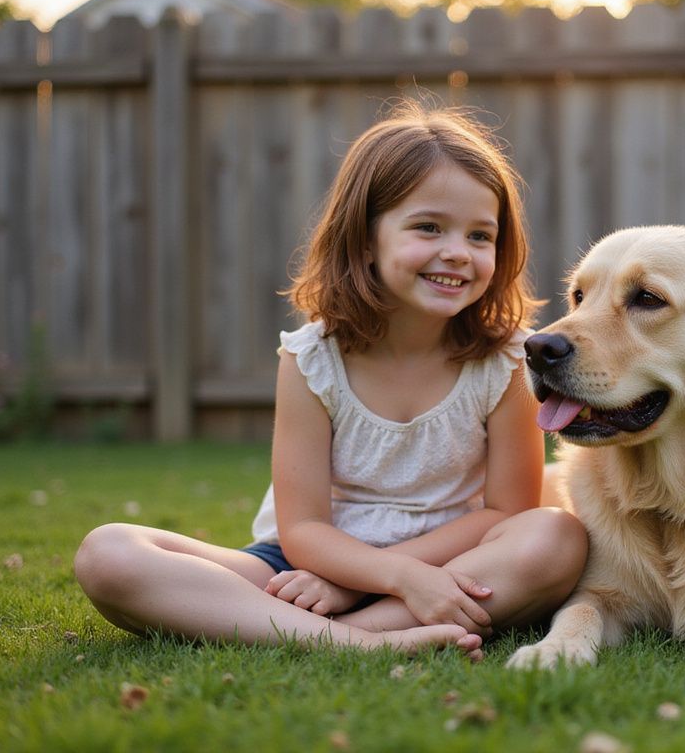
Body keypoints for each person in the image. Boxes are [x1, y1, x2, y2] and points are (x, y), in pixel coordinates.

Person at [74, 102, 588, 658]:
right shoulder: (312, 359)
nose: (457, 253)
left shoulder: (507, 360)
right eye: (428, 227)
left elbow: (505, 513)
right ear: (365, 239)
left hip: (448, 567)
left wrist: (375, 582)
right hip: (304, 567)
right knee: (109, 554)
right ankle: (352, 640)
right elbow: (304, 530)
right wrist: (368, 575)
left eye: (480, 236)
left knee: (555, 536)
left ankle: (348, 634)